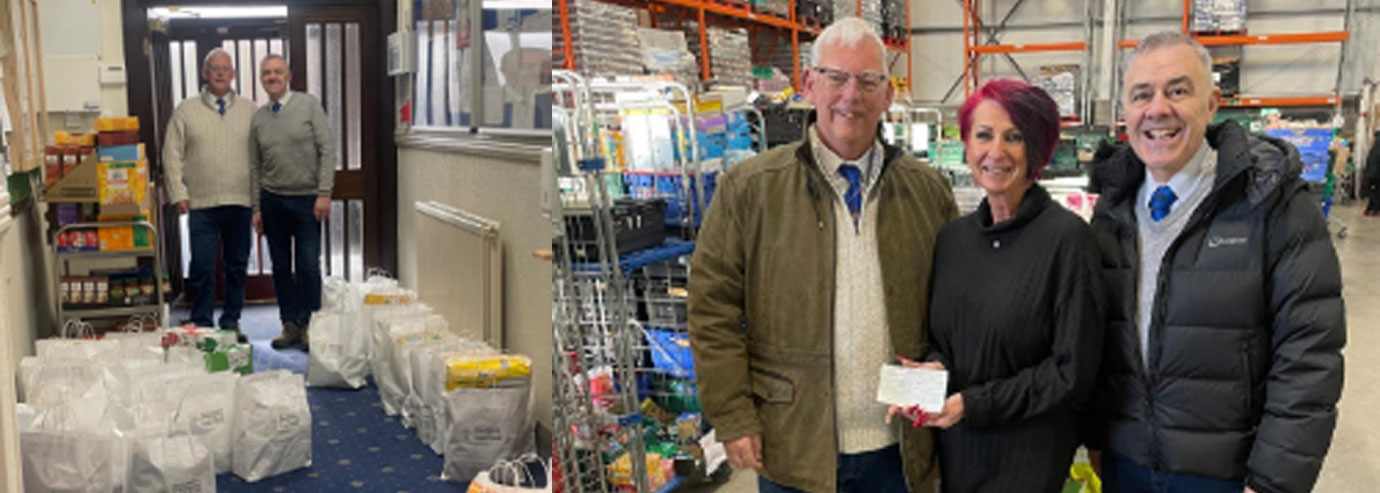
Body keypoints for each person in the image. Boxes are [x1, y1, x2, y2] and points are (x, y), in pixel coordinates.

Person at [688, 17, 958, 493]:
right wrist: (732, 415)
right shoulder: (750, 190)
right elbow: (713, 311)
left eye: (867, 80)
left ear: (888, 94)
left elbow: (957, 307)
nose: (850, 95)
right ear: (810, 85)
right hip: (793, 448)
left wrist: (940, 366)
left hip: (900, 448)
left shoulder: (927, 191)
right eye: (836, 77)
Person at [1086, 31, 1345, 493]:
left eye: (1178, 90)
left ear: (1212, 103)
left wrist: (1275, 481)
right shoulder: (1110, 210)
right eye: (1141, 95)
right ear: (1125, 113)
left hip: (1227, 476)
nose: (1157, 109)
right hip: (1126, 466)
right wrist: (1096, 439)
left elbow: (1309, 355)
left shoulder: (1272, 202)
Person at [889, 79, 1105, 493]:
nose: (996, 151)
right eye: (983, 135)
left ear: (1037, 149)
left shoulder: (1067, 240)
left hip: (1030, 454)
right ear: (967, 146)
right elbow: (949, 340)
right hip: (959, 446)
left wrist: (973, 404)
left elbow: (1071, 372)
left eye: (1014, 137)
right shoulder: (953, 239)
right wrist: (934, 369)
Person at [163, 48, 255, 342]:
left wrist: (259, 200)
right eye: (214, 68)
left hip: (240, 201)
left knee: (237, 266)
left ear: (233, 74)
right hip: (201, 203)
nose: (220, 73)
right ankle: (202, 324)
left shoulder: (250, 111)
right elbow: (172, 155)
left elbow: (260, 157)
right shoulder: (186, 110)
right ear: (204, 73)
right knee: (201, 266)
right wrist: (178, 192)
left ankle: (231, 321)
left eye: (226, 68)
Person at [249, 54, 336, 351]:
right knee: (281, 267)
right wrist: (257, 207)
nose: (271, 77)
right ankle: (290, 325)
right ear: (261, 79)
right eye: (266, 73)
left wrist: (324, 192)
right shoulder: (259, 118)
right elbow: (255, 166)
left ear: (289, 76)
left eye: (277, 71)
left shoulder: (308, 105)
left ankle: (312, 325)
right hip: (273, 201)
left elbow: (327, 150)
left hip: (308, 200)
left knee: (309, 266)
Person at [1364, 130, 1380, 216]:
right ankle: (1374, 210)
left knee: (1375, 191)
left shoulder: (1376, 145)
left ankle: (1370, 209)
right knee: (1377, 191)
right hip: (1376, 172)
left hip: (1373, 172)